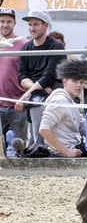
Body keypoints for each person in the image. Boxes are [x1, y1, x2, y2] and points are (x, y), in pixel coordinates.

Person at [17, 10, 66, 146]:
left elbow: (49, 76)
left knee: (36, 103)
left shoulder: (56, 47)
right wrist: (38, 87)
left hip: (53, 91)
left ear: (45, 25)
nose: (32, 28)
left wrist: (24, 96)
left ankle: (38, 145)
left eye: (36, 24)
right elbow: (21, 77)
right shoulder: (25, 48)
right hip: (39, 91)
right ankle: (36, 145)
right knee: (35, 101)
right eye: (30, 25)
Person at [39, 60, 87, 157]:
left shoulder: (71, 101)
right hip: (63, 153)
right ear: (64, 82)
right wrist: (67, 152)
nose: (79, 85)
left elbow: (83, 127)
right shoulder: (59, 101)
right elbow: (44, 129)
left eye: (81, 82)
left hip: (76, 147)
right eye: (75, 81)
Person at [0, 7, 28, 143]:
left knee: (20, 145)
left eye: (8, 21)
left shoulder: (24, 44)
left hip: (17, 104)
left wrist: (24, 97)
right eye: (2, 21)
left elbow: (31, 73)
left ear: (14, 23)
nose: (5, 25)